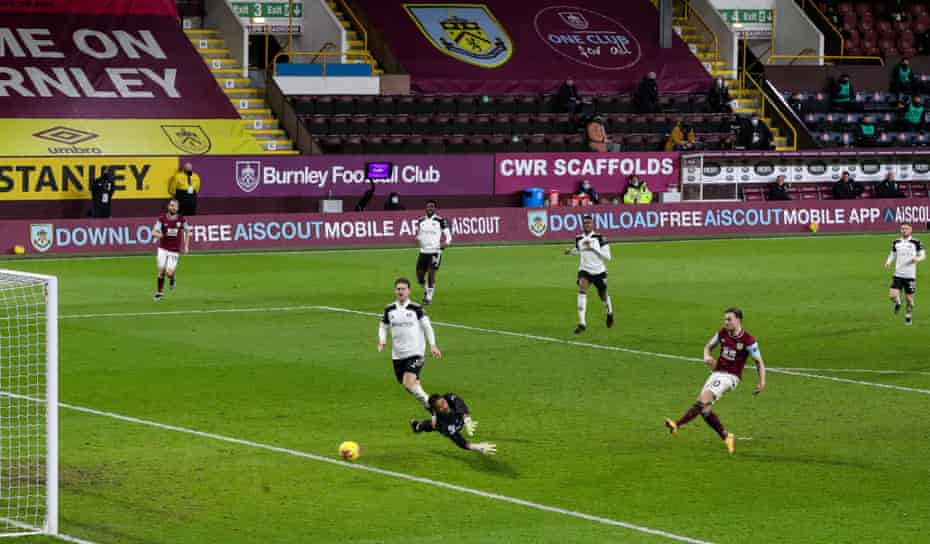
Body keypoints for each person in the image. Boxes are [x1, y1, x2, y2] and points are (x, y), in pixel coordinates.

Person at [664, 307, 767, 455]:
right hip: (716, 374)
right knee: (704, 410)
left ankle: (677, 425)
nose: (726, 322)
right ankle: (726, 436)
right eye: (725, 319)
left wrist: (762, 382)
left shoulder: (748, 340)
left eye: (729, 319)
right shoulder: (722, 333)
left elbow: (759, 362)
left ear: (738, 320)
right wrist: (706, 356)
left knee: (702, 400)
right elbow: (708, 346)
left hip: (730, 377)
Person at [378, 278, 442, 410]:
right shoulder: (389, 309)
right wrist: (382, 340)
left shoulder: (416, 308)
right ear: (395, 290)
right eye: (398, 289)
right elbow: (383, 326)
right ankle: (433, 408)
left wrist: (433, 345)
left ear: (409, 291)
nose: (400, 291)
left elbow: (427, 326)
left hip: (415, 352)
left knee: (408, 384)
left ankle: (435, 408)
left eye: (403, 289)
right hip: (397, 355)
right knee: (411, 387)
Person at [563, 214, 614, 334]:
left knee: (603, 295)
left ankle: (609, 312)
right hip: (584, 270)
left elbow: (608, 257)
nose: (587, 225)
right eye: (585, 223)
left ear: (593, 224)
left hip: (599, 271)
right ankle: (582, 323)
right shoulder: (578, 238)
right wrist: (570, 251)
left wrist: (594, 248)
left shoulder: (600, 238)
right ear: (582, 225)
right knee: (582, 289)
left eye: (589, 223)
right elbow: (580, 250)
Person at [411, 393, 496, 456]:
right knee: (434, 426)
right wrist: (477, 447)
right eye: (440, 407)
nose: (444, 407)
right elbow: (461, 442)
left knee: (435, 423)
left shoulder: (448, 398)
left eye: (443, 402)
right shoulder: (445, 425)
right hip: (445, 425)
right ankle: (418, 427)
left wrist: (467, 419)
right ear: (437, 410)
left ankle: (420, 425)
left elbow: (459, 401)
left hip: (454, 419)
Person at [885, 223, 926, 326]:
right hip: (898, 274)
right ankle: (898, 303)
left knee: (909, 300)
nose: (904, 230)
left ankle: (908, 316)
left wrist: (917, 258)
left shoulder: (915, 242)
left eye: (906, 229)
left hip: (910, 276)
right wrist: (888, 262)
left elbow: (923, 254)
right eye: (902, 229)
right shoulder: (896, 242)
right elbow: (892, 254)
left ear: (910, 230)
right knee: (892, 296)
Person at [152, 198, 191, 301]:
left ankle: (172, 277)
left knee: (169, 273)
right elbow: (154, 231)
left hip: (174, 249)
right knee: (161, 271)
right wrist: (159, 235)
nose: (172, 207)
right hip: (163, 248)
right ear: (168, 206)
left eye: (174, 206)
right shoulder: (162, 219)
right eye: (171, 205)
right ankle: (159, 292)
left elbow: (187, 231)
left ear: (177, 208)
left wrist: (186, 246)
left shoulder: (181, 220)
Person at [415, 200, 451, 305]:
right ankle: (426, 289)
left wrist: (445, 244)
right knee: (419, 276)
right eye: (428, 207)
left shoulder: (440, 220)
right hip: (423, 252)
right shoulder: (421, 221)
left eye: (432, 207)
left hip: (435, 252)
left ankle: (429, 297)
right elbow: (419, 234)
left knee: (431, 273)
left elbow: (448, 236)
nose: (430, 208)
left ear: (435, 209)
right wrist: (417, 239)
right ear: (425, 208)